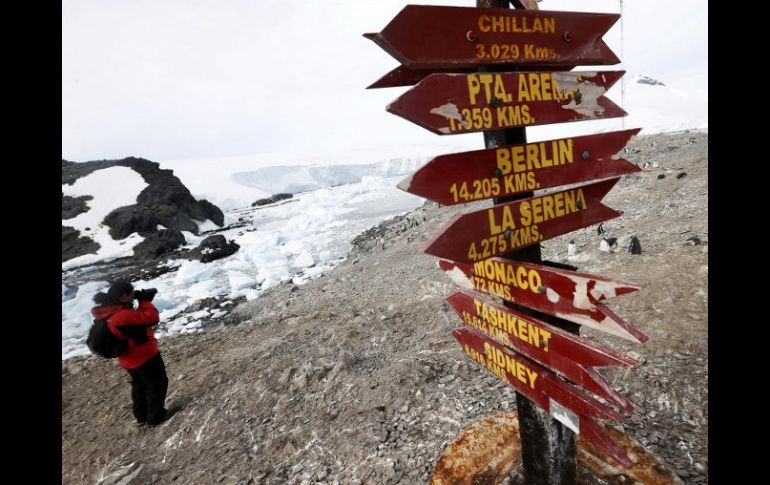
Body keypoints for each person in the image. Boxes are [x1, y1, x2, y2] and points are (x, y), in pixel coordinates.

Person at [91, 279, 170, 426]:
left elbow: (134, 322)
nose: (134, 296)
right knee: (156, 384)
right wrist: (145, 301)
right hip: (144, 357)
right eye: (131, 294)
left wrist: (140, 302)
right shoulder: (121, 316)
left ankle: (141, 417)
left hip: (129, 360)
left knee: (140, 386)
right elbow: (152, 318)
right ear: (123, 296)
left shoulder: (110, 311)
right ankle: (155, 417)